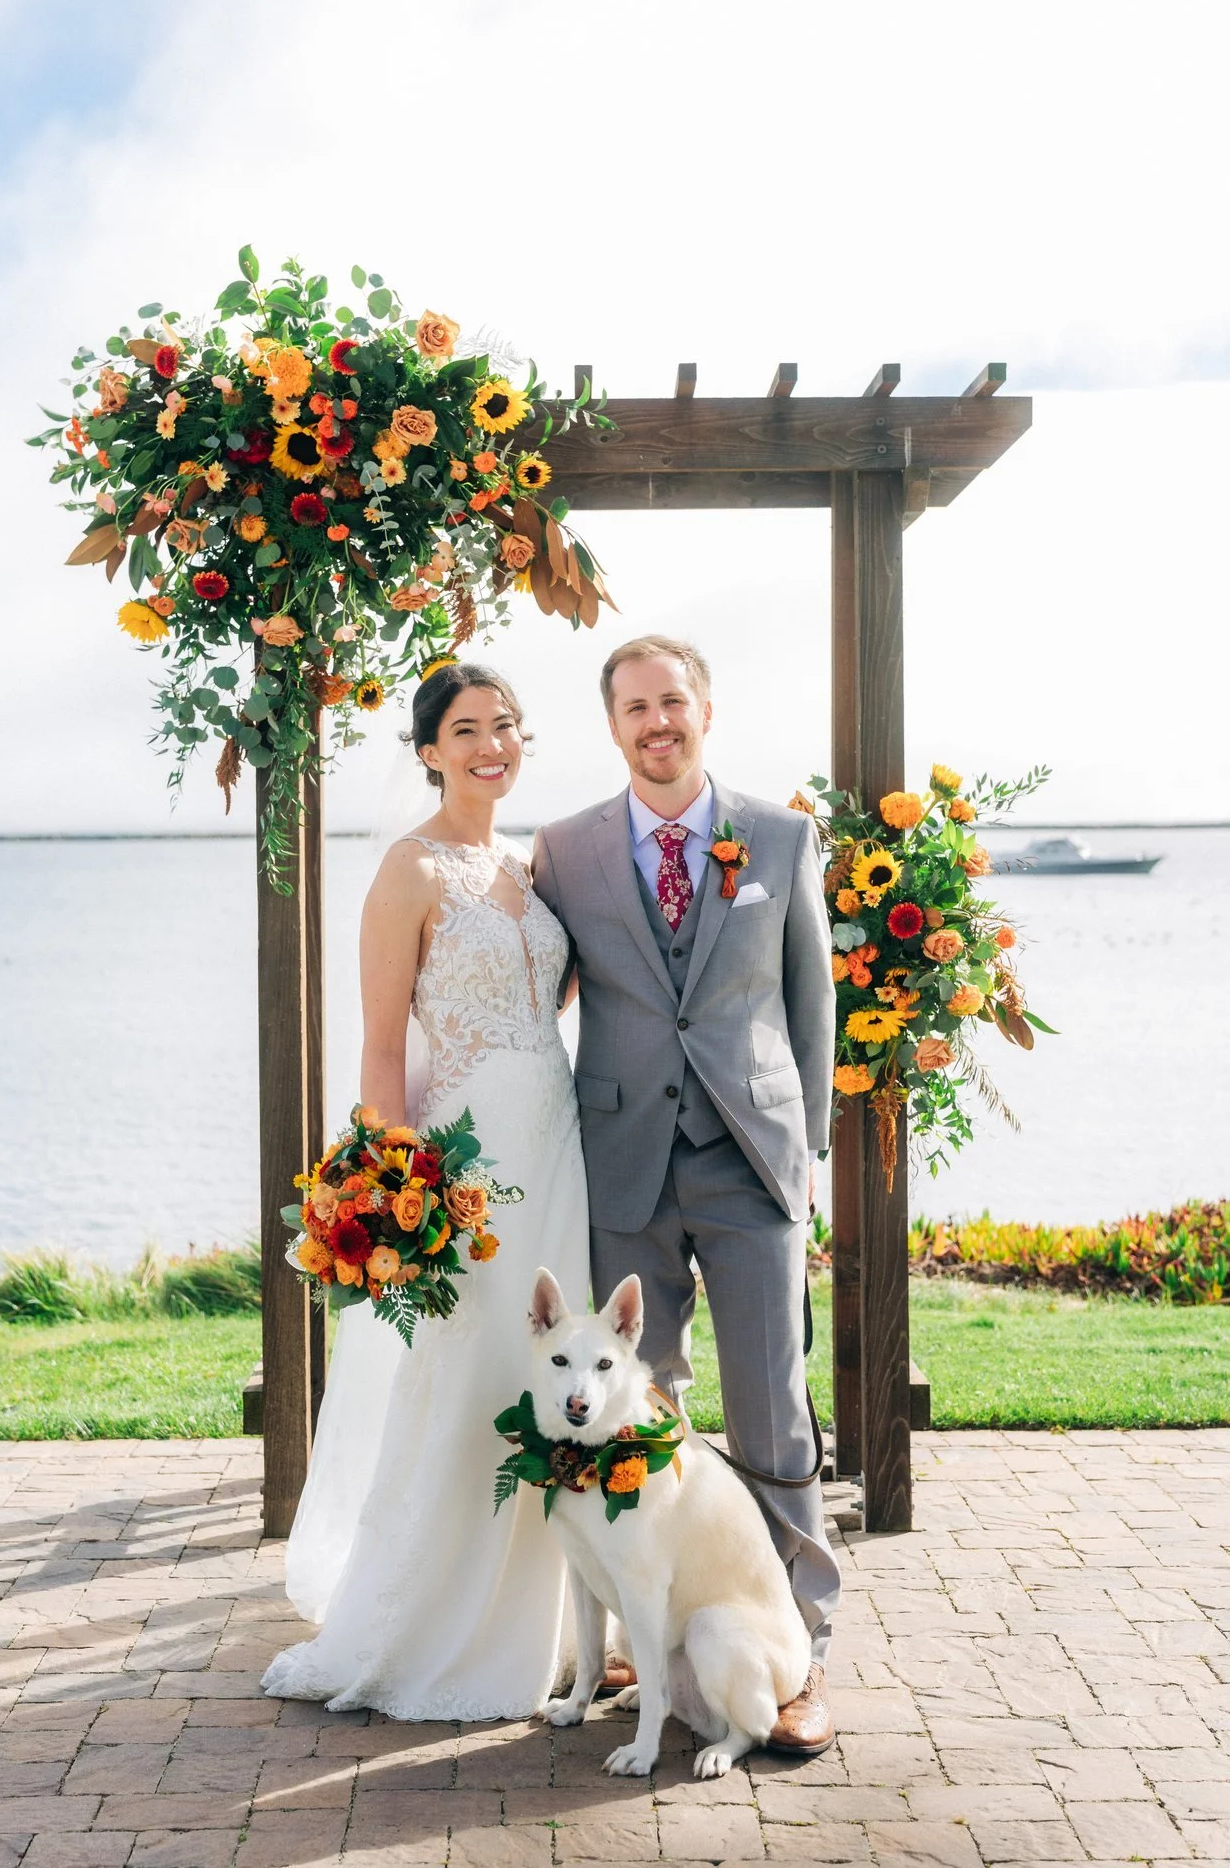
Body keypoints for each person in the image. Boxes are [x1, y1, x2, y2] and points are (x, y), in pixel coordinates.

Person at [530, 634, 842, 1756]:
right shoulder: (563, 852)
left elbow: (814, 1000)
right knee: (631, 1406)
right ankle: (641, 1630)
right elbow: (533, 994)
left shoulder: (780, 834)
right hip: (621, 1159)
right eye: (634, 707)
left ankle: (798, 1648)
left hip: (751, 1160)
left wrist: (806, 1153)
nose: (656, 722)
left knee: (771, 1402)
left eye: (673, 701)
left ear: (706, 707)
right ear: (611, 723)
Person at [261, 663, 590, 1720]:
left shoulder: (532, 869)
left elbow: (558, 995)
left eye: (506, 725)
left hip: (556, 1144)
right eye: (466, 729)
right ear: (429, 750)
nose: (491, 743)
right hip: (466, 1165)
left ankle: (556, 1615)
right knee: (467, 1378)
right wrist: (406, 1185)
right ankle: (429, 1625)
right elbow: (380, 1040)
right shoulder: (411, 871)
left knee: (555, 1370)